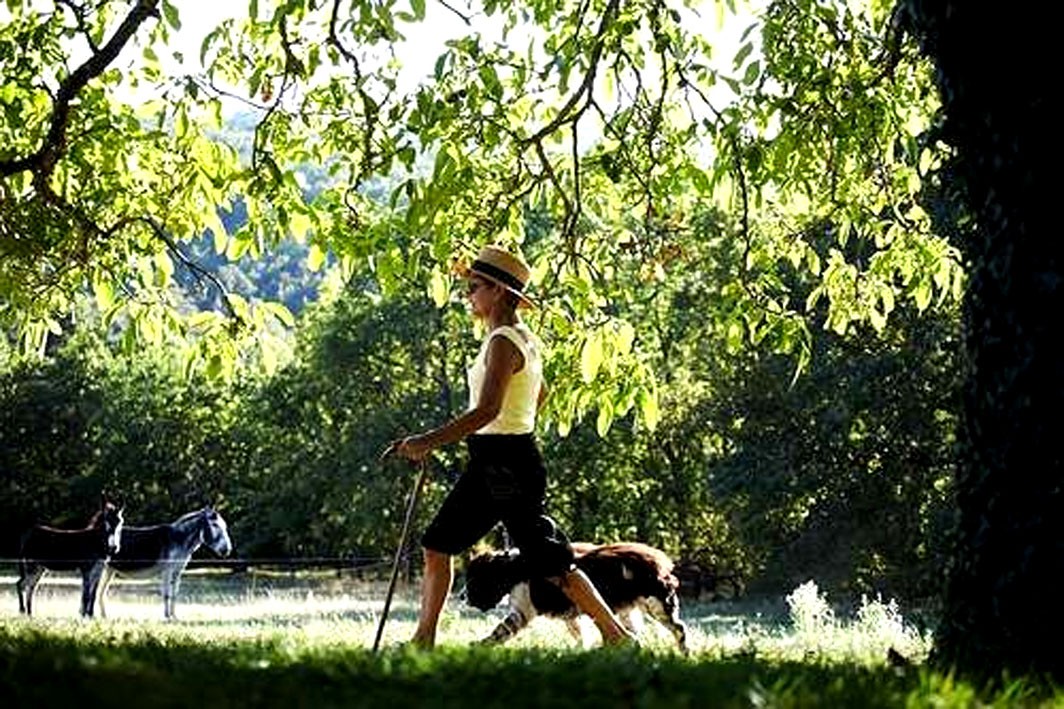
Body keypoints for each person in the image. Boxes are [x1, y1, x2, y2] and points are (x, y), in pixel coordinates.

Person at [389, 244, 636, 649]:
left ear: (499, 291)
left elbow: (486, 409)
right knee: (437, 545)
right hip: (497, 459)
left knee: (550, 561)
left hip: (505, 465)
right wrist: (516, 425)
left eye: (474, 287)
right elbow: (541, 393)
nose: (468, 295)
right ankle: (423, 640)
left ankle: (617, 636)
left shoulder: (504, 340)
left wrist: (425, 442)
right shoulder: (522, 338)